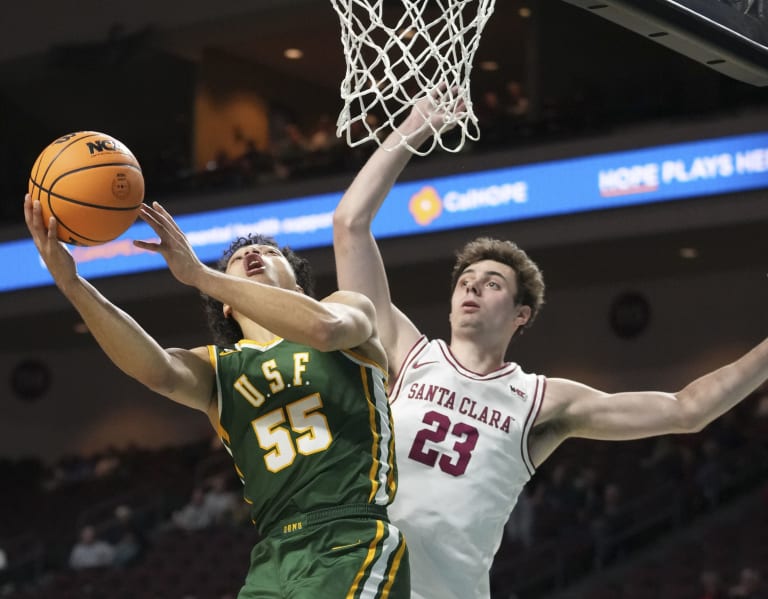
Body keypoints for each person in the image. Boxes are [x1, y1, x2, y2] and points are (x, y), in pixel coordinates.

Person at [331, 92, 768, 599]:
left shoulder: (544, 400)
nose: (472, 287)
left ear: (521, 315)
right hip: (361, 586)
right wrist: (414, 127)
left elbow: (687, 409)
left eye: (492, 283)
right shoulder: (407, 352)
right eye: (465, 280)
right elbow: (349, 225)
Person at [24, 195, 409, 598]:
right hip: (273, 555)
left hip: (350, 537)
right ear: (226, 307)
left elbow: (325, 329)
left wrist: (202, 275)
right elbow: (154, 369)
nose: (254, 254)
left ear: (297, 285)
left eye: (268, 251)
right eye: (240, 256)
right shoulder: (217, 369)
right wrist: (72, 284)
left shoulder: (343, 309)